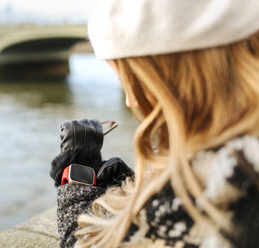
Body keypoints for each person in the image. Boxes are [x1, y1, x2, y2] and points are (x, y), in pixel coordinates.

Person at [50, 0, 259, 247]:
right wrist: (133, 188)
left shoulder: (217, 179)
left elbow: (82, 241)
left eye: (129, 81)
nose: (130, 101)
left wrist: (76, 178)